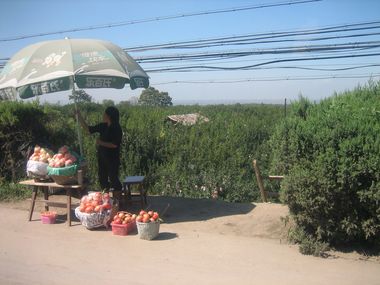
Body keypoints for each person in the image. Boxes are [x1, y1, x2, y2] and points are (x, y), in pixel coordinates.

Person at [76, 106, 123, 202]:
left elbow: (114, 144)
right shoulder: (103, 126)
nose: (103, 115)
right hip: (102, 158)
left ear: (109, 116)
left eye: (104, 113)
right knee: (103, 179)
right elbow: (88, 129)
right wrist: (79, 116)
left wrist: (100, 143)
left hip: (112, 159)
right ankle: (106, 202)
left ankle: (117, 203)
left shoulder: (116, 128)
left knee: (114, 179)